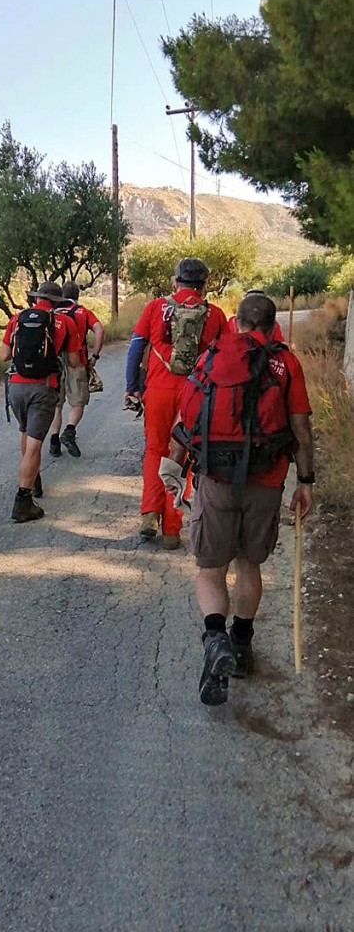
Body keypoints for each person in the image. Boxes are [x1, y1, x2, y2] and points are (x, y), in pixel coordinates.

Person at [160, 294, 314, 706]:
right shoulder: (286, 363)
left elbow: (186, 417)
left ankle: (215, 639)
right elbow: (299, 426)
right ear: (271, 325)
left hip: (216, 478)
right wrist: (306, 481)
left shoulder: (213, 356)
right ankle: (241, 644)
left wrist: (172, 467)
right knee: (249, 564)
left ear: (238, 323)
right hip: (265, 481)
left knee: (210, 569)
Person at [124, 257, 227, 549]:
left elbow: (135, 349)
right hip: (194, 394)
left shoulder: (156, 308)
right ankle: (171, 529)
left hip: (157, 391)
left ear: (175, 282)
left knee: (155, 449)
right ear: (204, 285)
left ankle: (149, 512)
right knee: (182, 456)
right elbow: (226, 358)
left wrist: (132, 387)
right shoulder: (215, 314)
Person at [0, 281, 82, 522]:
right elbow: (75, 361)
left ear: (36, 299)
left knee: (25, 433)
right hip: (44, 387)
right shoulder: (65, 322)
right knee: (35, 445)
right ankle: (23, 502)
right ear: (57, 303)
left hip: (15, 386)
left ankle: (31, 476)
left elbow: (3, 355)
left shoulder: (16, 319)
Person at [48, 280, 105, 459]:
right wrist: (94, 355)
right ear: (78, 295)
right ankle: (69, 430)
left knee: (57, 405)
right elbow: (99, 330)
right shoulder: (83, 312)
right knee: (78, 401)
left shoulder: (53, 312)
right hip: (77, 360)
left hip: (54, 362)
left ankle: (54, 441)